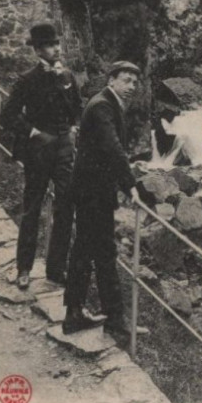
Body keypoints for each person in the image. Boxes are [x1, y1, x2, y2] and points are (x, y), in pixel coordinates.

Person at [62, 61, 143, 337]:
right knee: (103, 252)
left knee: (86, 250)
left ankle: (76, 313)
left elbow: (109, 149)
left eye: (135, 82)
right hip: (93, 193)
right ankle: (115, 319)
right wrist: (131, 185)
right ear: (112, 81)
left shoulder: (106, 103)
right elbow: (112, 147)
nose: (132, 86)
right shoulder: (102, 106)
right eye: (127, 80)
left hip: (91, 190)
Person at [0, 22, 82, 291]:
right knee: (32, 207)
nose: (56, 48)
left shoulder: (67, 76)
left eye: (57, 43)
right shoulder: (27, 79)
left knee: (65, 206)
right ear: (37, 49)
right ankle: (24, 268)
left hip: (64, 150)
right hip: (38, 151)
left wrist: (72, 129)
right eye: (49, 44)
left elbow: (76, 111)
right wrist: (33, 131)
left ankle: (56, 271)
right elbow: (8, 116)